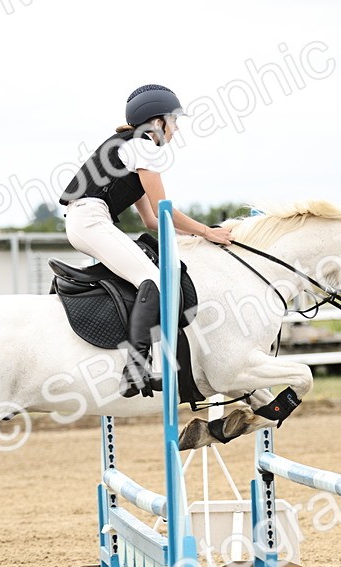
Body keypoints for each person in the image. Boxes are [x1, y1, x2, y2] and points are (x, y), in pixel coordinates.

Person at [59, 84, 234, 398]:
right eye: (174, 120)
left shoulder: (131, 150)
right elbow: (164, 210)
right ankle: (136, 368)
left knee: (149, 275)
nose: (177, 128)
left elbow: (153, 221)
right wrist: (208, 232)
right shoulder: (144, 147)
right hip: (90, 219)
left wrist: (200, 235)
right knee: (152, 279)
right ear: (157, 121)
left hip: (87, 219)